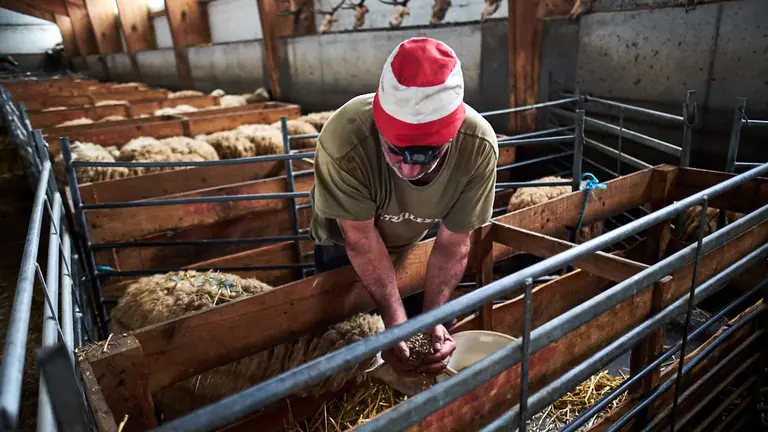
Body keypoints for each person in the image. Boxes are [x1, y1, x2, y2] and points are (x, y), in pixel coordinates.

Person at [308, 37, 498, 377]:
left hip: (411, 238)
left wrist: (432, 318)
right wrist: (395, 323)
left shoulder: (478, 147)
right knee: (346, 336)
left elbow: (453, 242)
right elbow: (360, 238)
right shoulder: (343, 140)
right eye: (396, 149)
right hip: (344, 241)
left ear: (452, 135)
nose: (409, 170)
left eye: (429, 153)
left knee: (418, 324)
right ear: (379, 122)